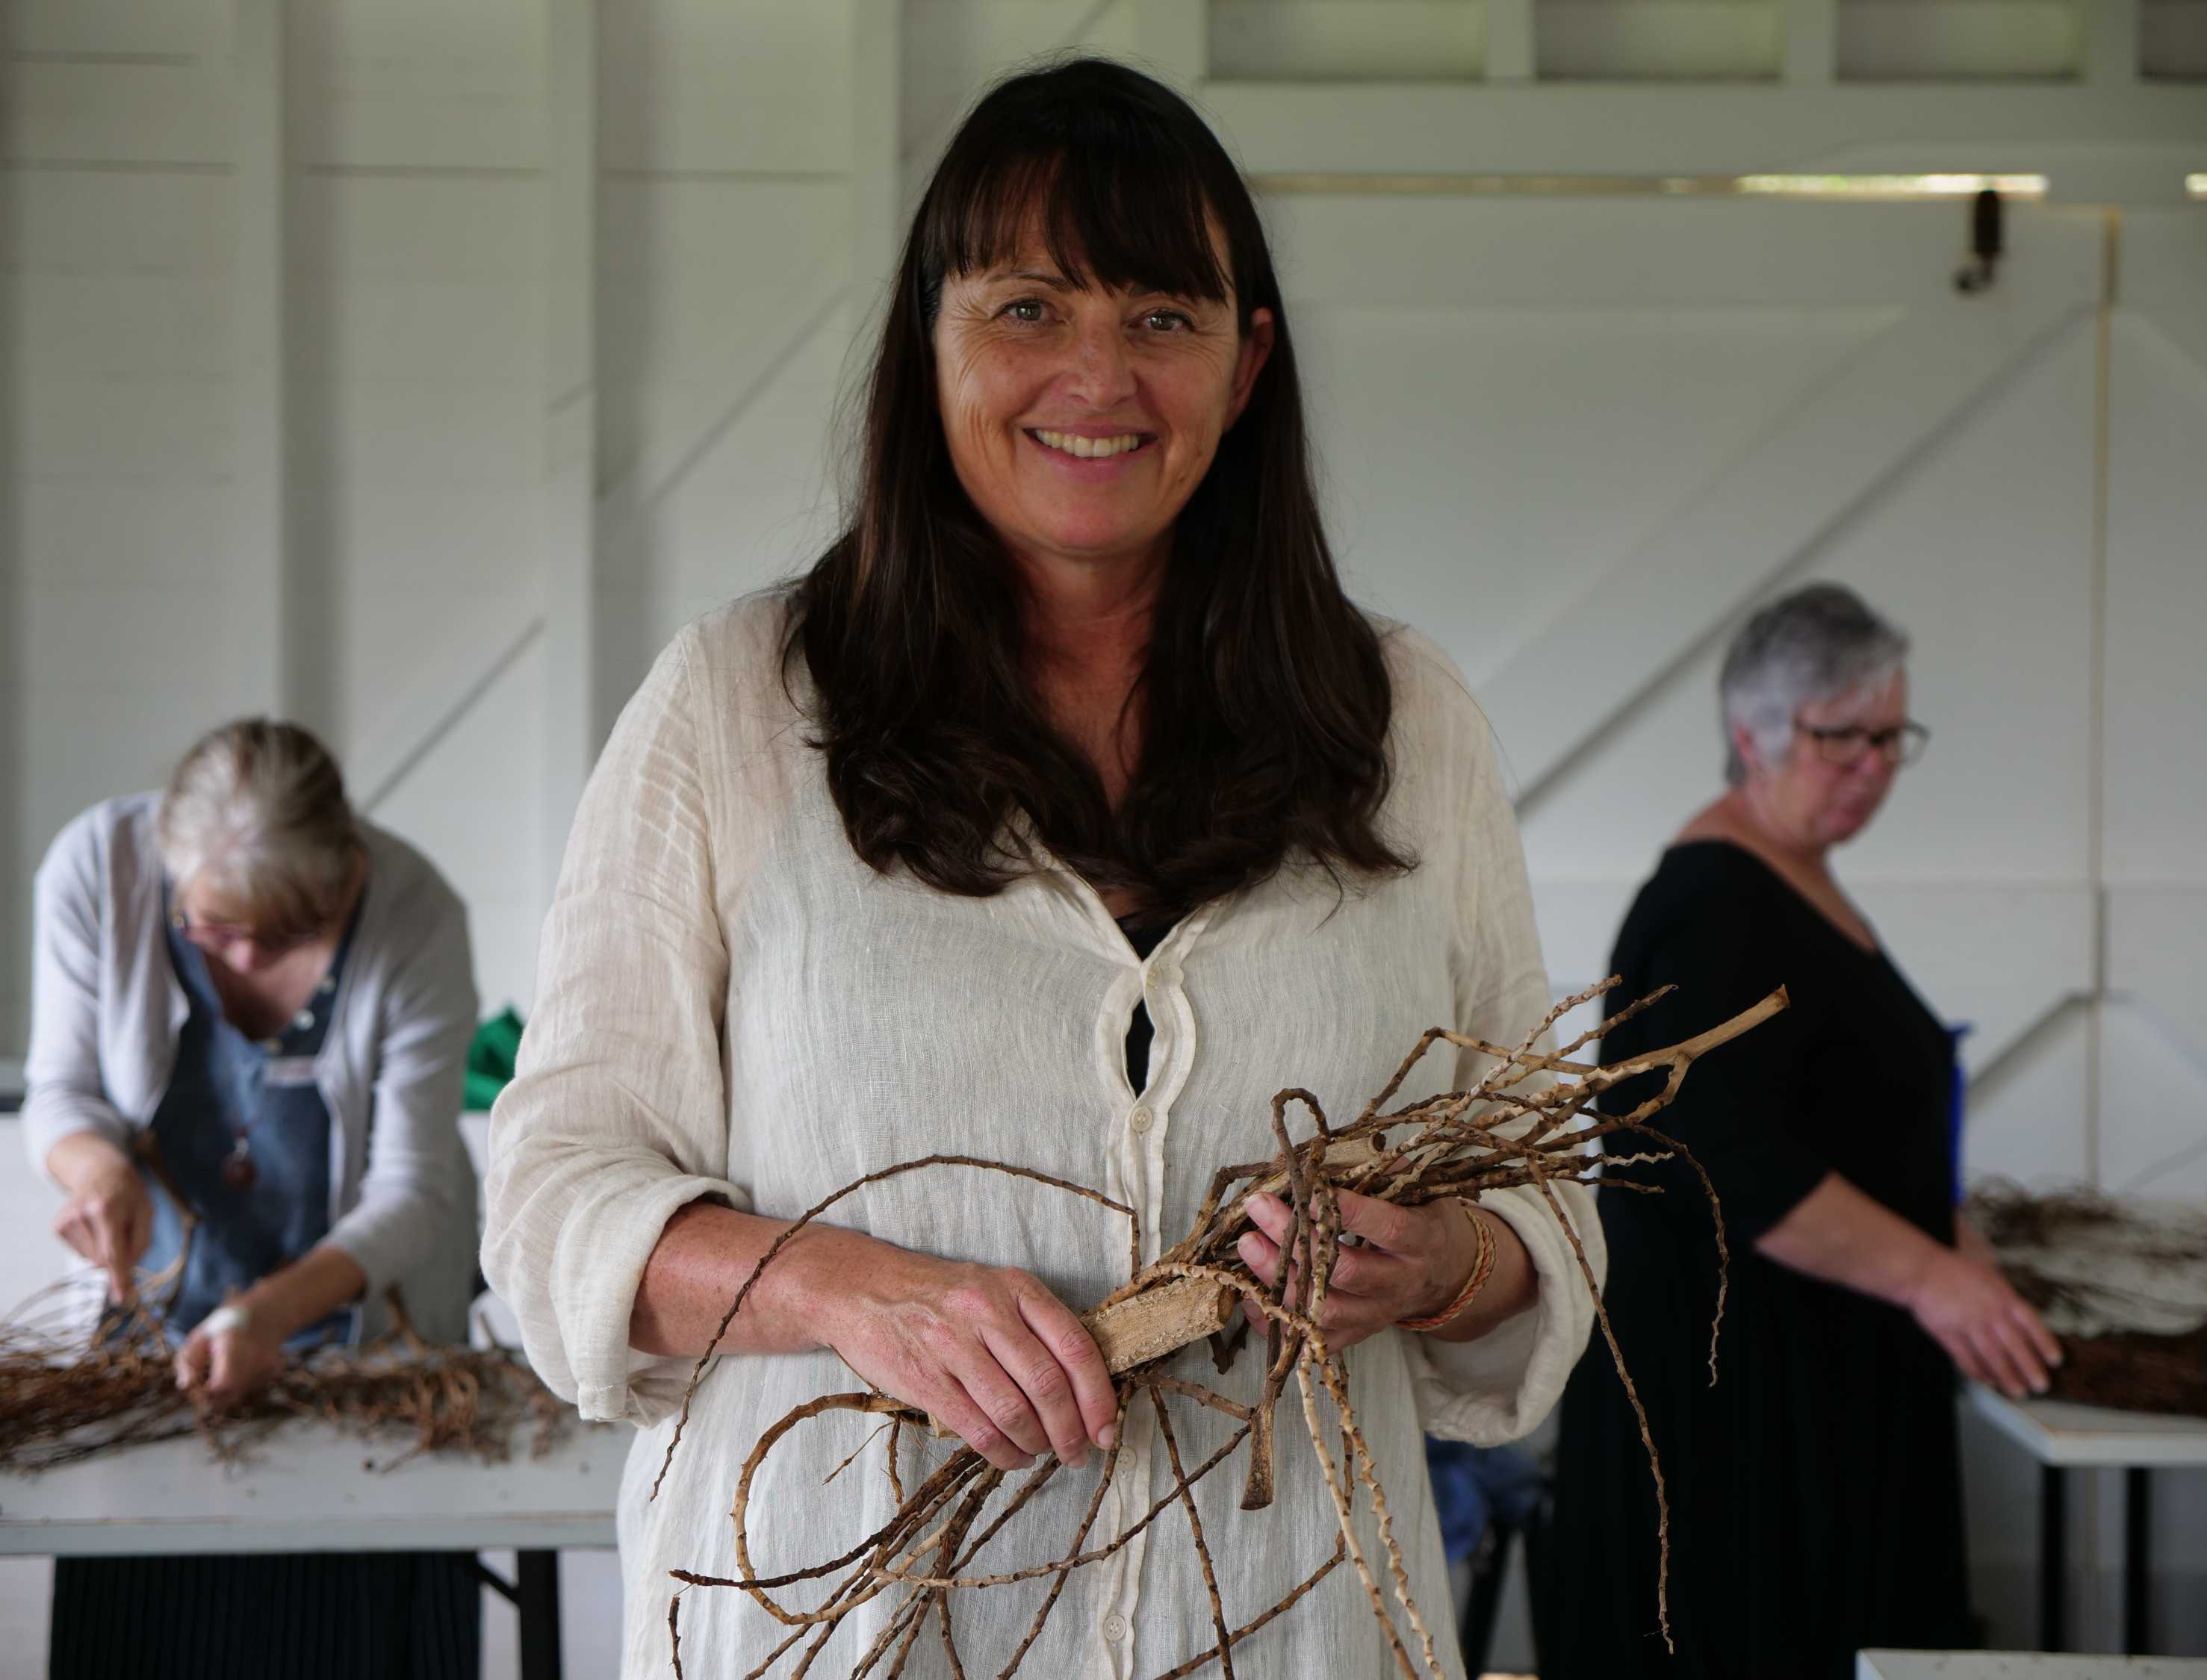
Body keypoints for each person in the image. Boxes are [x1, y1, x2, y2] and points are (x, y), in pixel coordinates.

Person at [483, 57, 1602, 1679]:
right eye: (1027, 308)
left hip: (1285, 1627)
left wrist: (1440, 1266)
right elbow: (556, 1202)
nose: (1098, 375)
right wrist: (849, 1291)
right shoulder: (737, 707)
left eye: (1162, 316)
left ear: (1246, 365)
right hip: (849, 1635)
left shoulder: (1404, 723)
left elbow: (1545, 1206)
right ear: (930, 343)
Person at [1543, 583, 2064, 1679]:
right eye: (1844, 738)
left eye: (1891, 737)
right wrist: (1930, 1274)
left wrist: (1954, 1238)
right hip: (1737, 1421)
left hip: (1811, 1393)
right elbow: (1726, 1154)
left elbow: (1837, 1120)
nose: (1874, 766)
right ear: (1752, 735)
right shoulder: (1714, 904)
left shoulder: (1794, 879)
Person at [25, 718, 483, 1679]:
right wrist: (99, 1172)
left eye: (283, 937)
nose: (238, 962)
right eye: (211, 932)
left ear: (347, 874)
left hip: (364, 1355)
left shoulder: (417, 914)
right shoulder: (96, 868)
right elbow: (60, 1093)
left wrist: (265, 1314)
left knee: (353, 1631)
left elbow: (412, 1188)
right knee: (147, 1625)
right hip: (153, 1354)